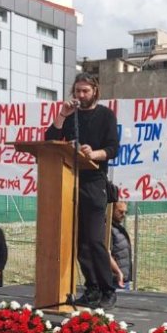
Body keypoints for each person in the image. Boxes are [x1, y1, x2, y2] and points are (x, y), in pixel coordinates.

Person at [45, 72, 119, 309]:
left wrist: (93, 154)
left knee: (95, 240)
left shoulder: (106, 115)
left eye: (85, 91)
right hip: (70, 181)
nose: (80, 95)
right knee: (79, 242)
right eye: (77, 91)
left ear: (95, 91)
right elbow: (51, 139)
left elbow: (112, 149)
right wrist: (61, 116)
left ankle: (109, 290)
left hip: (94, 181)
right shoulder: (70, 115)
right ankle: (92, 289)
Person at [109, 200, 133, 290]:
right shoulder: (107, 229)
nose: (124, 215)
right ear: (111, 210)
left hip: (123, 280)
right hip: (114, 281)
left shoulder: (118, 228)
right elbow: (106, 253)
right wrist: (118, 272)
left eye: (125, 212)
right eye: (120, 211)